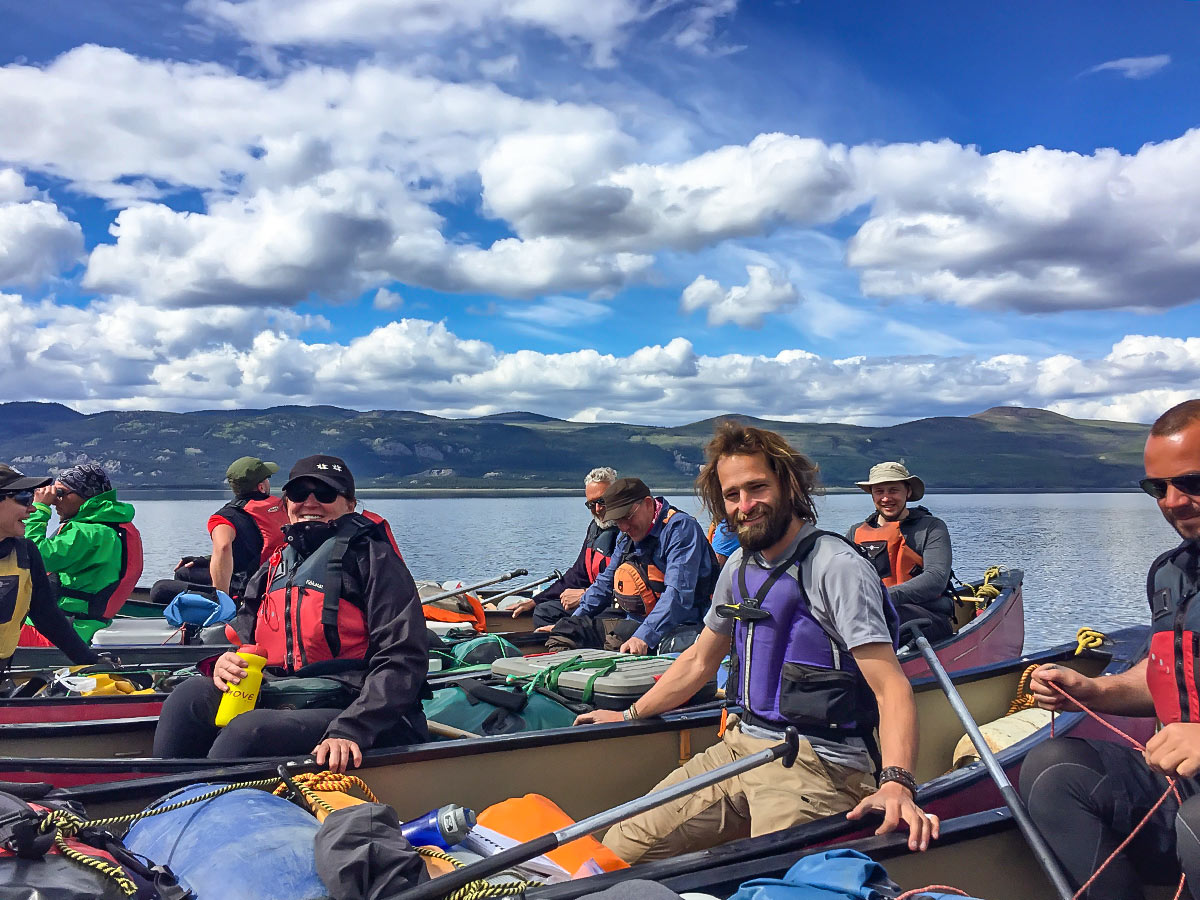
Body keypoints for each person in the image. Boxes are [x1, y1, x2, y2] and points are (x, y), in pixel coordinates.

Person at [575, 422, 936, 863]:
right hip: (740, 747)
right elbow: (698, 662)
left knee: (771, 878)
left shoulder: (836, 566)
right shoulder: (738, 568)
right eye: (732, 495)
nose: (745, 506)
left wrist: (897, 783)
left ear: (788, 484)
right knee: (615, 850)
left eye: (757, 488)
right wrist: (627, 715)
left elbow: (891, 687)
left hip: (818, 764)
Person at [1020, 399, 1200, 900]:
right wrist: (1094, 689)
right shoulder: (1170, 574)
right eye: (1156, 488)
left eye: (1192, 483)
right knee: (1053, 770)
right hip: (1179, 789)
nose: (1172, 502)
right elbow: (1169, 675)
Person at [152, 454, 429, 773]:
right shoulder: (274, 566)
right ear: (286, 503)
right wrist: (225, 663)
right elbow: (244, 642)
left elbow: (403, 659)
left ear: (350, 505)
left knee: (249, 733)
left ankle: (204, 802)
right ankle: (164, 798)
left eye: (325, 494)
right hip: (290, 692)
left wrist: (350, 729)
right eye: (299, 494)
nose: (311, 502)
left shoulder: (375, 561)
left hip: (357, 706)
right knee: (187, 697)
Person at [541, 477, 717, 655]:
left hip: (681, 627)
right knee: (567, 630)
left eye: (627, 516)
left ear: (648, 504)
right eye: (617, 521)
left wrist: (643, 636)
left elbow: (677, 595)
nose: (624, 527)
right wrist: (571, 621)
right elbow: (604, 584)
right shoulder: (626, 537)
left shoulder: (680, 530)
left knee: (617, 638)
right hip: (636, 623)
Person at [24, 463, 141, 643]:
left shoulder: (87, 534)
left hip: (61, 631)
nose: (55, 500)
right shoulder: (112, 527)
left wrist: (39, 509)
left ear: (85, 496)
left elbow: (33, 556)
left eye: (61, 493)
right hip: (82, 625)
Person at [149, 456, 288, 604]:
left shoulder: (225, 517)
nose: (268, 482)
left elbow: (223, 547)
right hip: (275, 578)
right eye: (267, 478)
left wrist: (222, 598)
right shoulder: (284, 506)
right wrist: (206, 560)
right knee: (185, 573)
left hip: (246, 589)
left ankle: (219, 606)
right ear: (261, 487)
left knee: (160, 588)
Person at [0, 464, 100, 671]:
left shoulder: (26, 552)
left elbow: (46, 616)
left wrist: (91, 661)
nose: (32, 508)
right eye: (23, 498)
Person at [847, 461, 954, 642]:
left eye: (893, 490)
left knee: (886, 617)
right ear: (872, 495)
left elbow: (936, 578)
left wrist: (885, 597)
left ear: (908, 492)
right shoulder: (855, 532)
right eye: (879, 491)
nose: (886, 498)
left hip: (926, 617)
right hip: (870, 616)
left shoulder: (931, 527)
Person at [507, 467, 620, 628]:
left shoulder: (628, 532)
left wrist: (584, 595)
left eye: (602, 501)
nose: (597, 509)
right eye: (591, 504)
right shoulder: (595, 529)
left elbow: (626, 588)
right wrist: (534, 601)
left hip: (615, 608)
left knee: (572, 623)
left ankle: (568, 640)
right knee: (544, 611)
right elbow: (576, 575)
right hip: (592, 601)